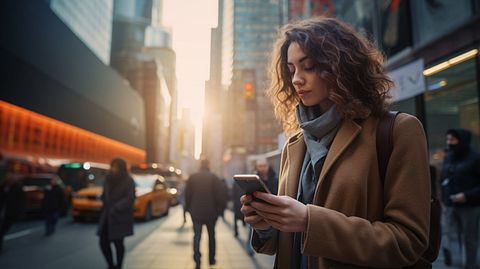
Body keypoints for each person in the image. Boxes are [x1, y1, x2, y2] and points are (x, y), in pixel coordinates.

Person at [240, 16, 431, 268]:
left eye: (308, 66)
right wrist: (267, 224)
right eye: (291, 69)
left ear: (340, 67)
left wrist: (310, 222)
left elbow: (409, 241)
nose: (296, 78)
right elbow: (288, 241)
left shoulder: (398, 131)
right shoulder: (294, 144)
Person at [440, 128, 480, 269]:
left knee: (469, 238)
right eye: (448, 139)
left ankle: (470, 265)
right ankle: (453, 262)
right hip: (450, 204)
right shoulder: (448, 158)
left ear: (461, 141)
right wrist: (444, 199)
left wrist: (466, 195)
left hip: (469, 206)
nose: (449, 143)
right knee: (447, 234)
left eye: (452, 140)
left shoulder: (475, 158)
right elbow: (444, 179)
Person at [97, 158, 135, 269]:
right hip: (107, 215)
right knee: (103, 242)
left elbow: (130, 198)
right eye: (113, 166)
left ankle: (118, 266)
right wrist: (102, 199)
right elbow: (104, 193)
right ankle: (110, 265)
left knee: (118, 243)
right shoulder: (108, 178)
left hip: (119, 216)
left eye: (116, 167)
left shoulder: (128, 180)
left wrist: (117, 207)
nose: (114, 169)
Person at [185, 158, 223, 269]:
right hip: (211, 213)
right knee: (212, 236)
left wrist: (188, 209)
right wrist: (219, 211)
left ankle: (197, 258)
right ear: (209, 165)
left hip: (196, 212)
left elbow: (187, 195)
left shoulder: (193, 177)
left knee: (197, 235)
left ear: (200, 165)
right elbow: (220, 196)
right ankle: (211, 259)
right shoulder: (214, 178)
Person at [0, 173, 25, 252]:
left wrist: (20, 212)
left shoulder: (17, 187)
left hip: (10, 212)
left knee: (3, 229)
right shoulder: (3, 186)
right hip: (3, 210)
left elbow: (21, 201)